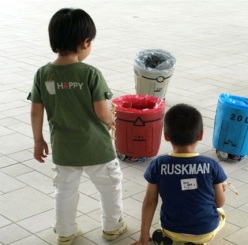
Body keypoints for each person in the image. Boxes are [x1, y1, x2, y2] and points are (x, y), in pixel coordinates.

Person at [28, 8, 127, 245]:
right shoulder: (90, 73)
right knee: (110, 186)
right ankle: (112, 227)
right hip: (97, 147)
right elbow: (101, 111)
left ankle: (65, 231)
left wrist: (38, 140)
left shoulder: (43, 74)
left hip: (64, 149)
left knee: (65, 191)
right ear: (85, 42)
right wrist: (112, 120)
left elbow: (35, 110)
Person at [132, 103, 227, 245]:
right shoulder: (211, 165)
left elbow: (150, 201)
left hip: (171, 229)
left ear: (166, 136)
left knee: (167, 231)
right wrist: (220, 187)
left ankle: (172, 239)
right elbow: (219, 203)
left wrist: (143, 236)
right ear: (200, 135)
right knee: (221, 214)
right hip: (204, 232)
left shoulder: (158, 164)